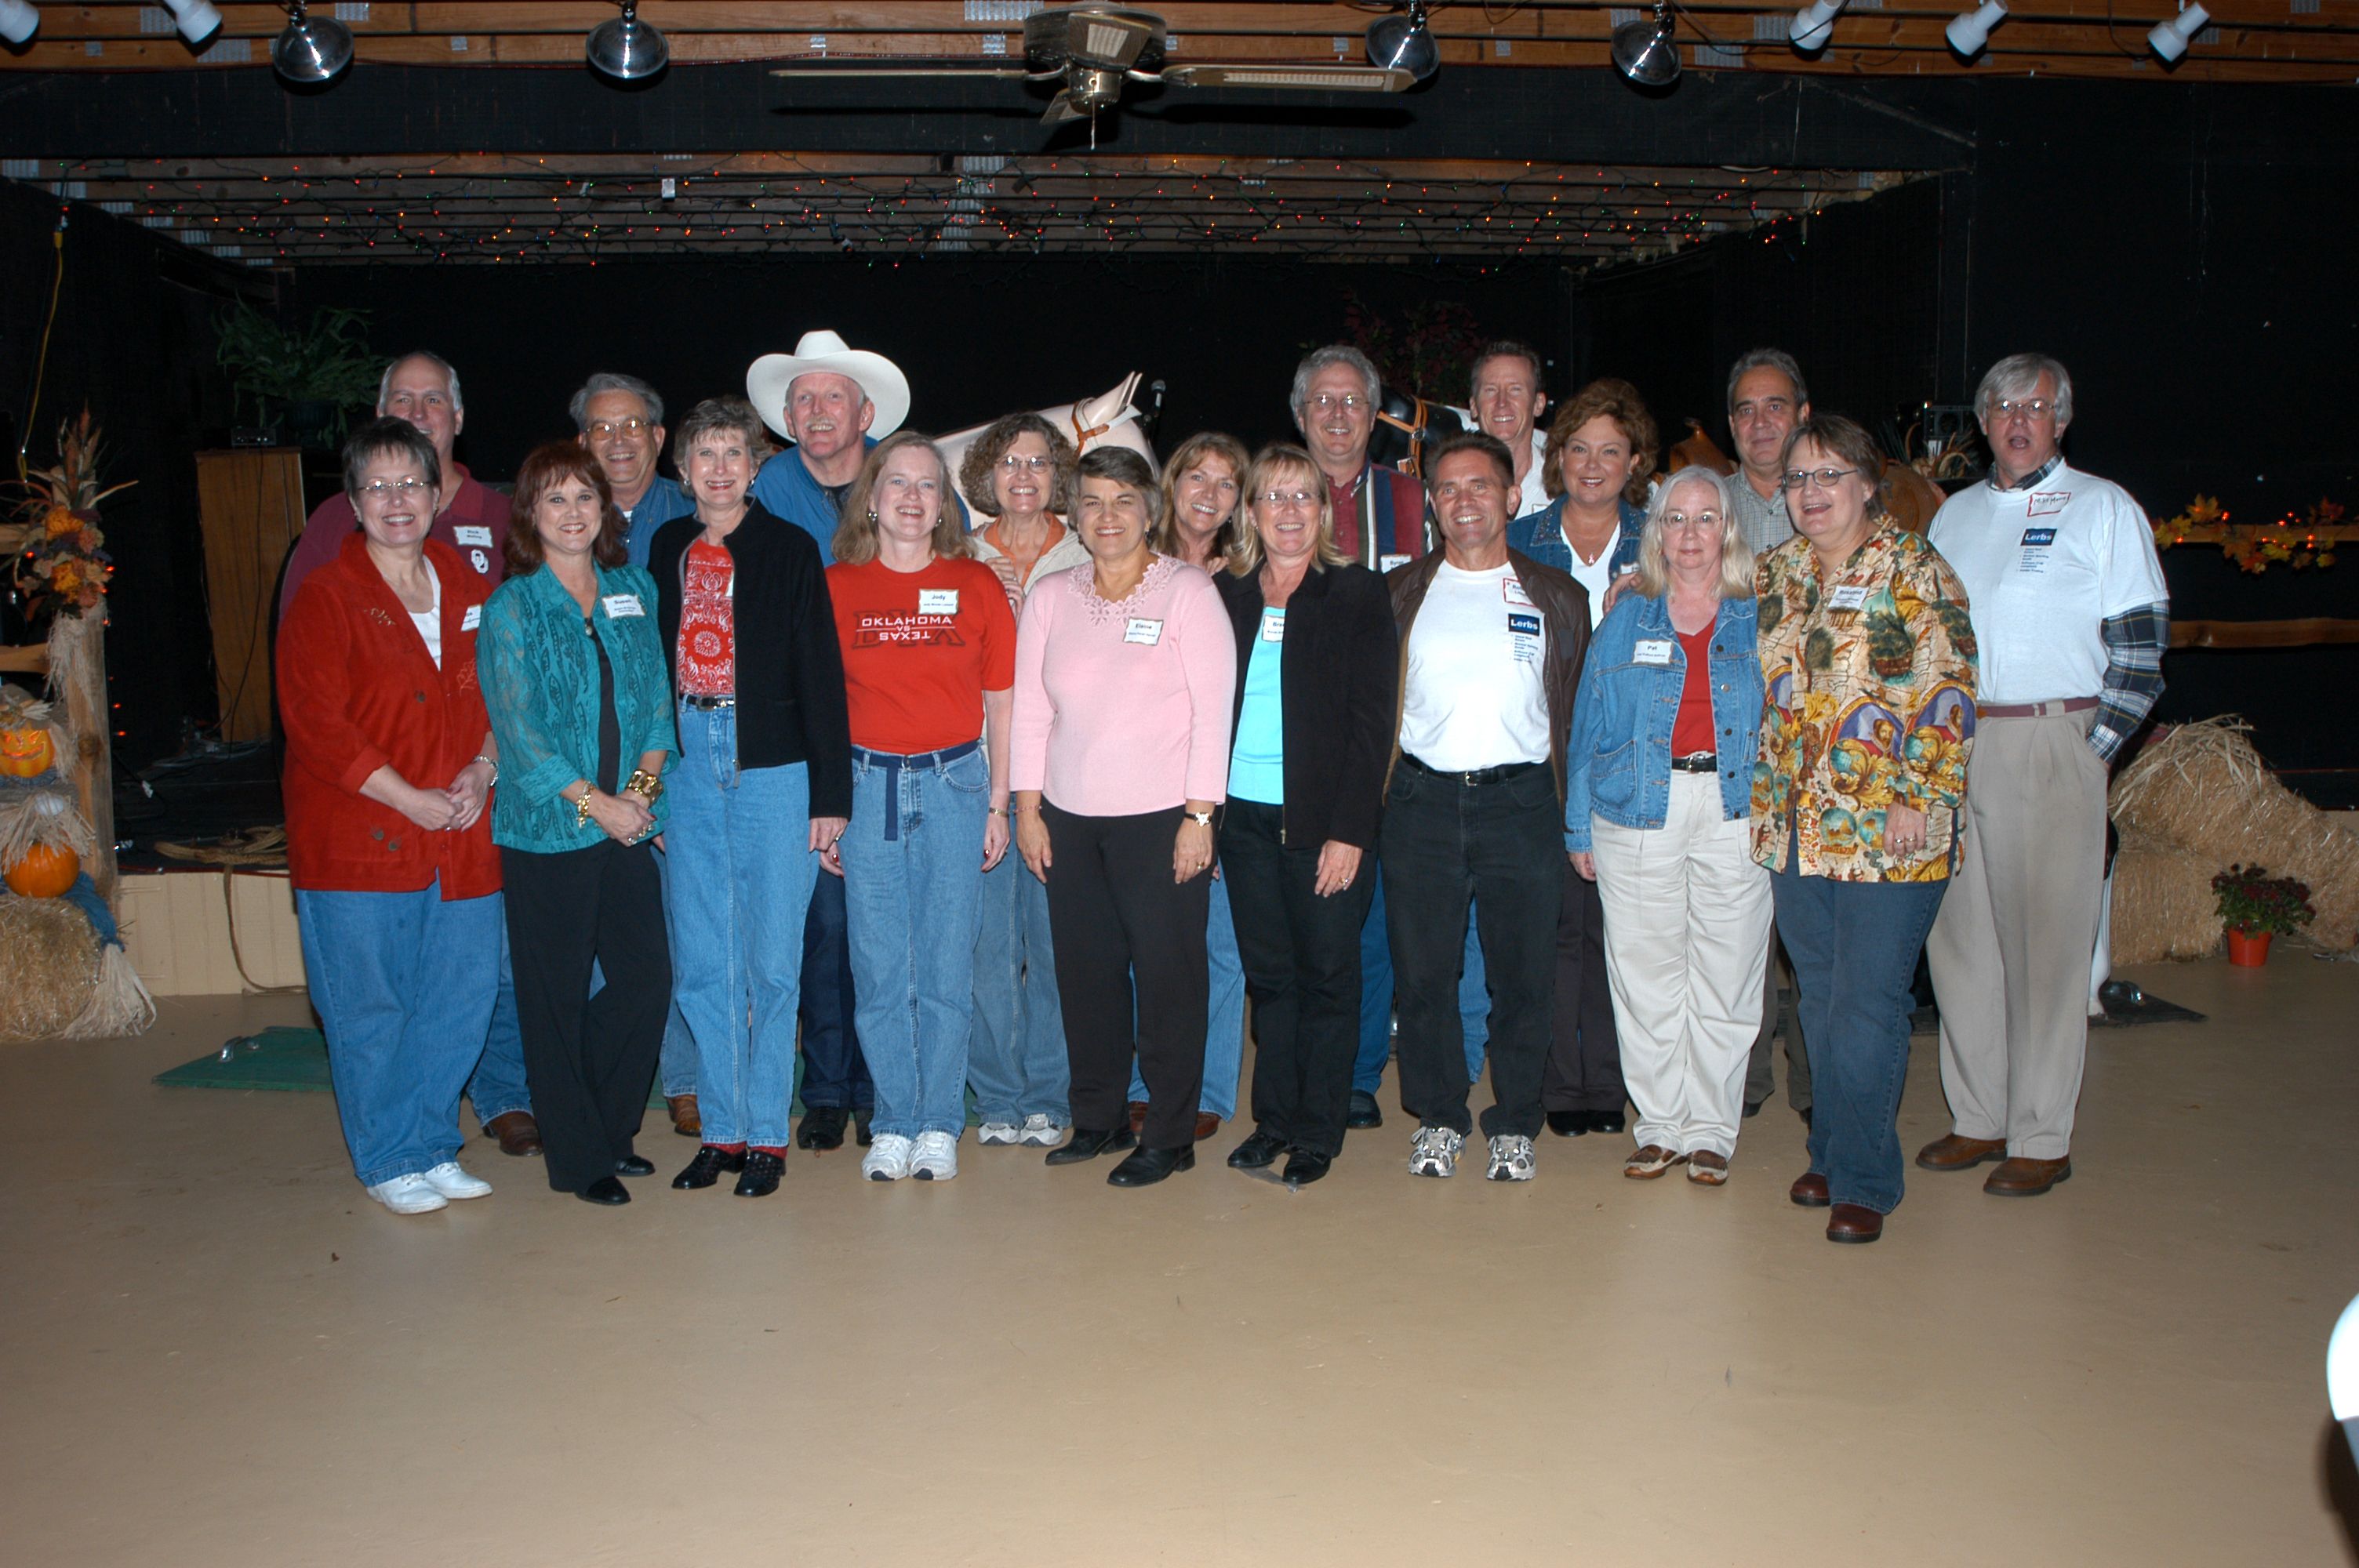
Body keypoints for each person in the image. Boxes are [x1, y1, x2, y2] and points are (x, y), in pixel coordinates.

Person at [276, 350, 537, 1160]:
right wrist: (405, 795)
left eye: (411, 485)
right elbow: (316, 723)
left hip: (462, 836)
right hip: (360, 841)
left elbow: (509, 695)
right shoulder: (328, 595)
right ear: (353, 501)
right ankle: (391, 1158)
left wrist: (484, 769)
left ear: (437, 492)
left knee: (459, 1003)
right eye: (378, 487)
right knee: (371, 1009)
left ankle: (429, 1143)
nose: (397, 501)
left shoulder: (470, 587)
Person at [1921, 353, 2168, 1198]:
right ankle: (1977, 1115)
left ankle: (2039, 1133)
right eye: (1999, 407)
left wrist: (2089, 749)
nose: (2015, 420)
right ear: (1981, 423)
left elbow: (2138, 651)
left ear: (2060, 420)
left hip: (2050, 737)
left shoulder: (2102, 508)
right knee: (1960, 943)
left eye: (2033, 406)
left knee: (2046, 948)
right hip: (1959, 743)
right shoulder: (1951, 516)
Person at [1755, 414, 1978, 1244]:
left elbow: (1951, 689)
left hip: (1891, 822)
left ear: (1865, 482)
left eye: (1828, 476)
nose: (1810, 494)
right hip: (1794, 826)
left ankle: (1863, 1178)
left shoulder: (1915, 569)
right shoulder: (1776, 573)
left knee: (1867, 1002)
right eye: (1797, 479)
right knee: (1816, 994)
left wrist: (1919, 792)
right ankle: (1829, 1148)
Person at [1011, 447, 1236, 1187]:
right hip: (1070, 819)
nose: (1108, 516)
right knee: (1088, 977)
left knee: (1170, 980)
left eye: (1123, 501)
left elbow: (1213, 714)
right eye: (1093, 502)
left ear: (1149, 510)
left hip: (1162, 819)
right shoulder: (1051, 595)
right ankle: (1099, 1119)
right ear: (1074, 513)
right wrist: (1028, 806)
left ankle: (1170, 1133)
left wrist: (1200, 817)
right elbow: (1032, 709)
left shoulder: (1189, 592)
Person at [649, 396, 854, 1200]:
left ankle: (767, 1133)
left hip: (774, 769)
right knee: (703, 963)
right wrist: (650, 788)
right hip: (688, 768)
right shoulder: (667, 545)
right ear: (682, 468)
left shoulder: (792, 547)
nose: (721, 468)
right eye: (706, 454)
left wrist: (829, 795)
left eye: (735, 453)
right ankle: (722, 1131)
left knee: (771, 965)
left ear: (756, 465)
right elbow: (645, 683)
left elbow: (820, 674)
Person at [1385, 430, 1590, 1183]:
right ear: (1433, 503)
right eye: (1447, 488)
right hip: (1420, 802)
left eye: (1480, 486)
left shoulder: (1556, 596)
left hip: (1523, 804)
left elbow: (1574, 715)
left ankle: (1514, 1123)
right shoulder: (1402, 592)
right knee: (1426, 975)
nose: (1463, 500)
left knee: (1524, 975)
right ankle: (1439, 1116)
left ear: (1511, 497)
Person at [477, 444, 675, 1207]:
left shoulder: (635, 587)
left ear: (605, 510)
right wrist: (600, 803)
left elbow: (656, 705)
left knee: (647, 976)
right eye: (553, 499)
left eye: (583, 497)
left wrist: (640, 795)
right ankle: (577, 1156)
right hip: (546, 829)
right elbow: (520, 735)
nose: (571, 512)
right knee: (552, 994)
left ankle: (607, 1127)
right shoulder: (512, 606)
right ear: (531, 513)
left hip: (624, 821)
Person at [1563, 468, 1769, 1187]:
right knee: (1645, 979)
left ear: (1728, 530)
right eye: (1675, 519)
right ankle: (1659, 1127)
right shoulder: (1626, 614)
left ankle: (1711, 1130)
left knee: (1727, 976)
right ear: (1656, 533)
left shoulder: (1761, 613)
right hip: (1634, 811)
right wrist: (1576, 827)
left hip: (1735, 811)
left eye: (1705, 518)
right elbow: (1587, 725)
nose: (1690, 534)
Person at [825, 431, 1017, 1183]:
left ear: (945, 504)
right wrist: (829, 806)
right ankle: (894, 1122)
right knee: (877, 967)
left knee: (944, 965)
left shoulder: (975, 586)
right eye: (896, 483)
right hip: (865, 786)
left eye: (927, 485)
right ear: (870, 499)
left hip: (956, 786)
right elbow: (821, 705)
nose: (911, 497)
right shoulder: (836, 586)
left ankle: (938, 1121)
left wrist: (999, 803)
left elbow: (1000, 703)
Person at [1216, 444, 1398, 1184]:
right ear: (1250, 512)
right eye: (1273, 498)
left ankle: (1318, 1131)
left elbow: (1370, 725)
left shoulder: (1355, 593)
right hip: (1244, 821)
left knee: (1327, 975)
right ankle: (1274, 1120)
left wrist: (1350, 832)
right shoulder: (1227, 596)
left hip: (1324, 823)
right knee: (1271, 978)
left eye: (1303, 498)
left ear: (1323, 512)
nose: (1288, 513)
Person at [747, 332, 911, 1150]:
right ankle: (825, 1088)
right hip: (806, 733)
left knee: (881, 924)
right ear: (787, 415)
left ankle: (887, 1085)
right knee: (820, 923)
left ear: (864, 413)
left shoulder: (904, 479)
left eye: (831, 397)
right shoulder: (765, 487)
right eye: (802, 398)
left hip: (892, 729)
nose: (816, 411)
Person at [1507, 378, 1654, 1142]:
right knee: (1556, 929)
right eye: (1576, 448)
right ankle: (1559, 1083)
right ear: (1555, 456)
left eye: (1609, 450)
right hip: (1541, 760)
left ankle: (1608, 1079)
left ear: (1633, 461)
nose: (1591, 465)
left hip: (1632, 759)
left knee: (1615, 930)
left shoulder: (1663, 541)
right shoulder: (1521, 541)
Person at [570, 370, 699, 1138]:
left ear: (658, 437)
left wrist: (650, 780)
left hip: (671, 752)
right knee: (591, 925)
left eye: (631, 426)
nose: (615, 440)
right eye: (598, 428)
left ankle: (683, 1078)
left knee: (679, 919)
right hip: (582, 766)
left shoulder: (692, 519)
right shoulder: (556, 521)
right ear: (580, 443)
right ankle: (595, 1074)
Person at [958, 412, 1090, 1149]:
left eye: (1038, 463)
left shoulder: (1085, 552)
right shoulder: (960, 555)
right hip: (976, 771)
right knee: (985, 948)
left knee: (1052, 945)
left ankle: (1048, 1091)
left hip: (1064, 775)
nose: (1024, 476)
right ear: (987, 474)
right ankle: (1000, 1096)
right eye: (1009, 462)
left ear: (1057, 475)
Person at [1127, 431, 1253, 1143]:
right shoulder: (1130, 568)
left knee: (1219, 944)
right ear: (1170, 485)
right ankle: (1149, 1083)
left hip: (1228, 781)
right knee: (1149, 941)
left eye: (1226, 483)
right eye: (1196, 477)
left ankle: (1205, 1089)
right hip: (1141, 782)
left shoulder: (1249, 576)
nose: (1208, 493)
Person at [1722, 351, 1816, 1128]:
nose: (1760, 422)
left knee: (1813, 932)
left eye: (1774, 406)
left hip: (1817, 752)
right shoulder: (1697, 504)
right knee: (1739, 934)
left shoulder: (1829, 502)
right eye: (1745, 409)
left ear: (1802, 414)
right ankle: (1742, 1079)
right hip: (1726, 748)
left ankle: (1818, 1085)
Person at [1292, 344, 1430, 572]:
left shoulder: (1416, 498)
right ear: (1301, 416)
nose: (1338, 413)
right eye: (1323, 400)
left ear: (1373, 418)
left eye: (1352, 401)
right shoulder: (1270, 501)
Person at [1465, 342, 1552, 517]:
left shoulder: (1563, 483)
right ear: (1474, 406)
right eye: (1490, 390)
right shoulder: (1449, 485)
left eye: (1515, 390)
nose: (1502, 402)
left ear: (1538, 404)